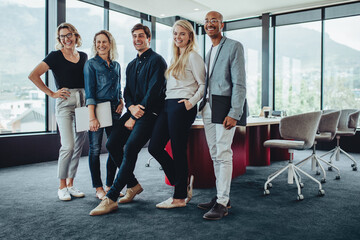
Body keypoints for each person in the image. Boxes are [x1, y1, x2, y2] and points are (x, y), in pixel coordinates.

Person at [89, 23, 167, 216]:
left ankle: (112, 197)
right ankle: (132, 185)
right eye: (134, 36)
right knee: (113, 143)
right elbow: (127, 91)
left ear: (148, 38)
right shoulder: (131, 65)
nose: (137, 39)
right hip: (134, 110)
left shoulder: (158, 61)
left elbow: (154, 90)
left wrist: (135, 113)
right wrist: (131, 107)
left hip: (151, 113)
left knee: (131, 147)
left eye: (141, 36)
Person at [148, 20, 205, 209]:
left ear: (190, 36)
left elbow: (203, 85)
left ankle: (179, 197)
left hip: (182, 105)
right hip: (168, 104)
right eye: (175, 33)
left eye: (182, 33)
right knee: (154, 147)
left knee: (178, 150)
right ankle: (182, 182)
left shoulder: (193, 57)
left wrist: (191, 102)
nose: (178, 37)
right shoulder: (175, 57)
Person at [28, 23, 87, 201]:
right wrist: (52, 93)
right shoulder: (55, 56)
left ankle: (71, 183)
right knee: (68, 145)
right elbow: (33, 75)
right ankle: (61, 186)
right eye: (62, 36)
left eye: (69, 35)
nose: (66, 39)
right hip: (65, 103)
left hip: (83, 102)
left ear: (75, 36)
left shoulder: (83, 56)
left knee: (78, 147)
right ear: (59, 40)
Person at [197, 11, 246, 220]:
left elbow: (239, 82)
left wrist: (235, 112)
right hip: (209, 107)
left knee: (224, 153)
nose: (210, 24)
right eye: (207, 21)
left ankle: (223, 202)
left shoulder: (234, 46)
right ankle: (221, 196)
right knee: (216, 153)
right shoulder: (210, 50)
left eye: (214, 21)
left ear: (222, 25)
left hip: (225, 107)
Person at [84, 30, 124, 200]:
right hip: (97, 109)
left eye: (104, 42)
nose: (101, 45)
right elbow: (89, 91)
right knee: (94, 149)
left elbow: (118, 87)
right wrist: (92, 117)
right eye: (98, 42)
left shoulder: (116, 65)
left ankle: (109, 184)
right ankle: (98, 187)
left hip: (114, 110)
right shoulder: (91, 64)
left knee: (114, 147)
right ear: (95, 44)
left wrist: (121, 100)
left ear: (110, 43)